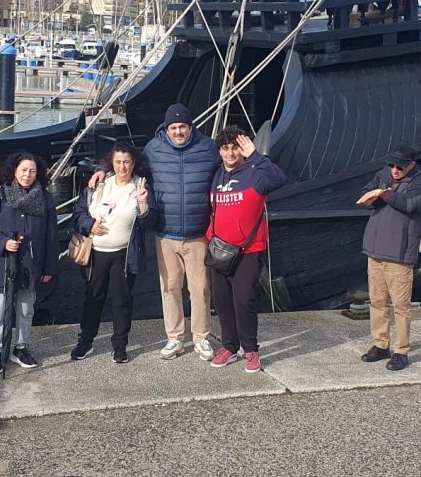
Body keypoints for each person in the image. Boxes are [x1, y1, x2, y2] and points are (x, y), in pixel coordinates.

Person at [89, 102, 219, 360]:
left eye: (183, 126)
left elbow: (228, 165)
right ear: (166, 128)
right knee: (169, 288)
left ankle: (201, 337)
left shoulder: (208, 148)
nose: (179, 131)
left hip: (197, 233)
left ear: (190, 127)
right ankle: (175, 337)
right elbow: (127, 161)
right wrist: (102, 168)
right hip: (166, 233)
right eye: (174, 127)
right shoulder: (154, 149)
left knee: (200, 289)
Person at [206, 126, 287, 373]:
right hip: (219, 249)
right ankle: (229, 346)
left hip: (247, 250)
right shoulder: (215, 175)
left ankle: (251, 350)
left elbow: (279, 179)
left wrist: (255, 156)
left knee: (244, 301)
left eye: (235, 148)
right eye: (225, 148)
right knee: (221, 301)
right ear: (219, 150)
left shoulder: (255, 174)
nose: (230, 153)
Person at [70, 142, 155, 364]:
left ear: (133, 163)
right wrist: (89, 224)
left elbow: (149, 222)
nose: (122, 167)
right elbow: (78, 212)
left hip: (123, 254)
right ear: (111, 163)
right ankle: (85, 341)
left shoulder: (140, 186)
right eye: (118, 162)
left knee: (122, 300)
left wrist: (143, 204)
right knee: (92, 298)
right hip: (96, 252)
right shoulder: (99, 183)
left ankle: (119, 345)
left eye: (127, 162)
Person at [0, 152, 59, 374]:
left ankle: (21, 347)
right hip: (3, 262)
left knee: (25, 309)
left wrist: (49, 268)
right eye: (23, 170)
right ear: (14, 170)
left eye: (32, 171)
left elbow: (51, 235)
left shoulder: (45, 199)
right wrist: (3, 242)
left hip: (31, 263)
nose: (27, 174)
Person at [356, 145, 421, 372]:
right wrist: (372, 196)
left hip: (399, 253)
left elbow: (411, 203)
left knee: (400, 305)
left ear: (412, 164)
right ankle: (380, 344)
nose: (395, 170)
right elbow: (364, 192)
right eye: (392, 165)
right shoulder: (384, 174)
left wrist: (382, 194)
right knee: (377, 301)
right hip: (375, 249)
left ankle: (401, 351)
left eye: (400, 166)